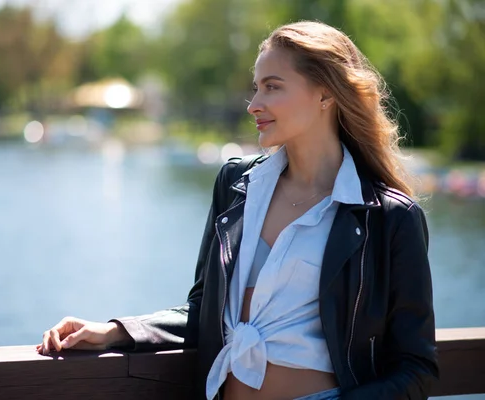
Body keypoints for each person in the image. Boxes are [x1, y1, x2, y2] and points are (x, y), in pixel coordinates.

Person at [37, 21, 439, 400]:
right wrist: (115, 331)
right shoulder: (236, 186)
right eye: (256, 87)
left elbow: (416, 368)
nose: (254, 104)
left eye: (272, 87)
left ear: (325, 94)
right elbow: (203, 312)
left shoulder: (387, 218)